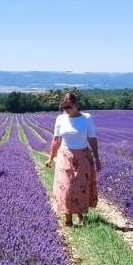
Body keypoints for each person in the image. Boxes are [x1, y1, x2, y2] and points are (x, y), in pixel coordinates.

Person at [45, 92, 102, 227]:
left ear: (76, 105)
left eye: (69, 107)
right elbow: (56, 140)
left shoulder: (87, 119)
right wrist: (51, 158)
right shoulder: (60, 119)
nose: (66, 110)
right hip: (64, 155)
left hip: (83, 156)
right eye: (64, 107)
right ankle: (68, 218)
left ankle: (80, 214)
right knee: (65, 186)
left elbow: (92, 139)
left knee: (80, 187)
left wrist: (97, 158)